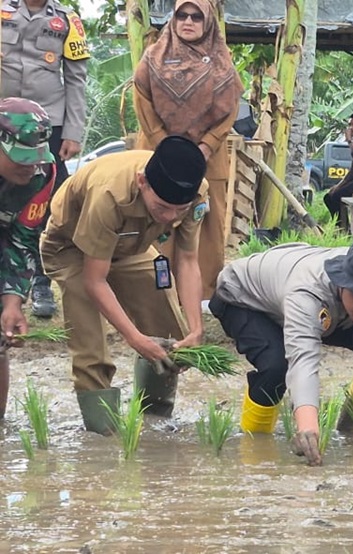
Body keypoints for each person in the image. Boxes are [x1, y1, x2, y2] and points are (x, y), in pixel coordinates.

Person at [39, 136, 209, 434]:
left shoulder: (197, 194)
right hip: (71, 247)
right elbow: (94, 280)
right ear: (142, 181)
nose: (170, 217)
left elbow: (188, 261)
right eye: (162, 207)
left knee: (168, 324)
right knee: (90, 337)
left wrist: (196, 329)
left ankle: (155, 420)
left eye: (178, 210)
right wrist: (134, 338)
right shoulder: (108, 193)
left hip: (131, 245)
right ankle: (103, 432)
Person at [210, 238, 353, 466]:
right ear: (343, 281)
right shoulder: (306, 293)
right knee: (276, 367)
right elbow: (303, 360)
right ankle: (254, 444)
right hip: (244, 299)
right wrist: (307, 425)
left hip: (329, 309)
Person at [133, 0, 244, 300]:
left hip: (207, 156)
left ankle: (205, 294)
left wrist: (207, 145)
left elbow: (230, 108)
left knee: (206, 221)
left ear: (208, 21)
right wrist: (164, 145)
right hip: (158, 153)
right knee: (157, 218)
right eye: (182, 14)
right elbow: (142, 98)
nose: (189, 21)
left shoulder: (222, 60)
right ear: (174, 18)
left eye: (197, 16)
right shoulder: (154, 56)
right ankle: (157, 290)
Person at [1, 0, 91, 318]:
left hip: (48, 126)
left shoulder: (68, 21)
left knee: (45, 206)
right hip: (4, 123)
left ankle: (40, 283)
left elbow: (77, 79)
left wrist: (73, 132)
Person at [0, 98, 57, 420]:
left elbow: (22, 238)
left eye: (35, 158)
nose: (30, 166)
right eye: (21, 159)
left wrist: (12, 302)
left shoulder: (42, 174)